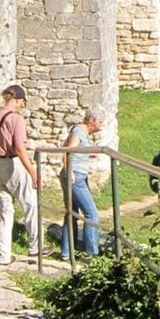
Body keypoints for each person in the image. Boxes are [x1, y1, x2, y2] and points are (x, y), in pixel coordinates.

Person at [0, 84, 40, 265]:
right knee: (29, 202)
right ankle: (35, 245)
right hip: (11, 163)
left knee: (4, 211)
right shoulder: (16, 120)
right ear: (18, 100)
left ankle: (3, 255)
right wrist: (32, 171)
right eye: (21, 102)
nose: (21, 105)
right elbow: (19, 148)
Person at [59, 109, 104, 260]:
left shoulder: (78, 130)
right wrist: (70, 170)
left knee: (72, 213)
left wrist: (87, 153)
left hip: (73, 176)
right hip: (75, 176)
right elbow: (68, 150)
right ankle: (91, 254)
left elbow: (70, 149)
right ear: (91, 120)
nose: (101, 125)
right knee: (91, 214)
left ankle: (66, 252)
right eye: (100, 122)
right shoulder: (79, 131)